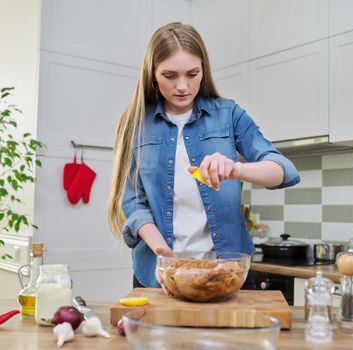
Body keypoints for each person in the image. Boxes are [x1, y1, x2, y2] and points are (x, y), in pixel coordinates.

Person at [107, 22, 300, 293]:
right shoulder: (135, 123)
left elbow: (284, 170)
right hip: (159, 275)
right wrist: (162, 253)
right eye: (170, 75)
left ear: (203, 70)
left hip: (228, 274)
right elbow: (134, 203)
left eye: (192, 74)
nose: (182, 86)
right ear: (152, 74)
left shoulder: (229, 115)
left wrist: (236, 169)